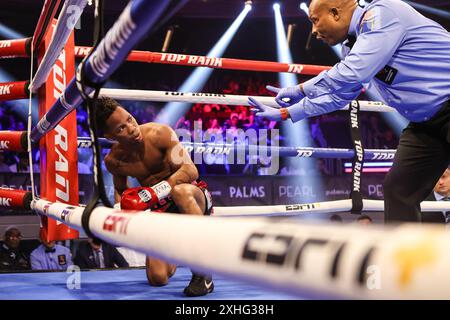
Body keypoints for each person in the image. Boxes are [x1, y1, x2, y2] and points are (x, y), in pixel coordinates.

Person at [249, 0, 450, 223]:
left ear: (335, 13)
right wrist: (289, 112)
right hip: (426, 123)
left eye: (315, 20)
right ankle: (401, 257)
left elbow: (352, 72)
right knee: (399, 190)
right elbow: (340, 95)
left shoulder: (382, 14)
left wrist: (300, 89)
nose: (314, 31)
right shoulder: (352, 46)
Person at [95, 97, 214, 297]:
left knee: (180, 192)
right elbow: (121, 192)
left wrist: (155, 191)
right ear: (109, 136)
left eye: (130, 119)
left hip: (191, 196)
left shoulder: (161, 133)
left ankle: (203, 272)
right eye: (121, 129)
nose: (132, 128)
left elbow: (190, 169)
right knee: (157, 278)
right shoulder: (114, 161)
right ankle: (177, 246)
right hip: (160, 211)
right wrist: (121, 212)